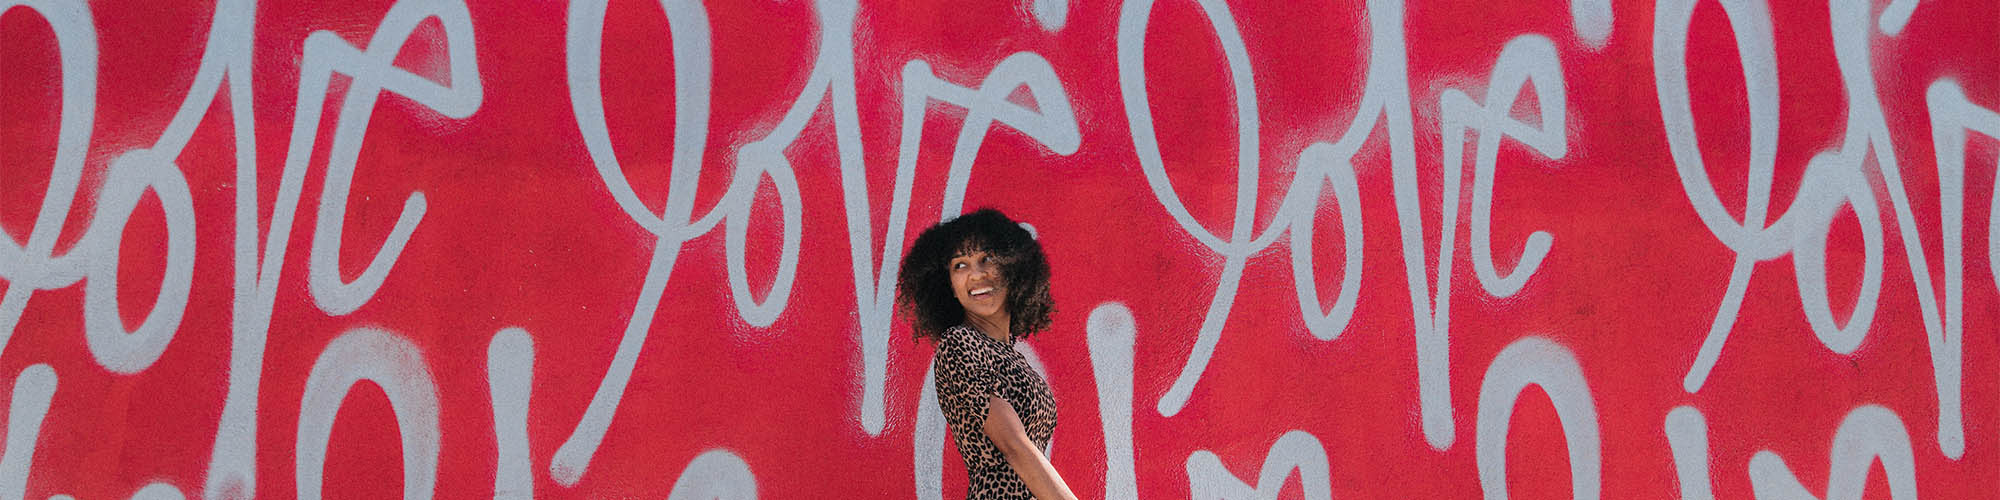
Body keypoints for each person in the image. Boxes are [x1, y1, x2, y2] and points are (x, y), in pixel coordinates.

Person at [898, 208, 1078, 500]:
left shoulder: (1013, 358)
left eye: (987, 259)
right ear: (949, 288)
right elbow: (1015, 447)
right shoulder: (960, 343)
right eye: (960, 265)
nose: (976, 275)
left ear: (1014, 271)